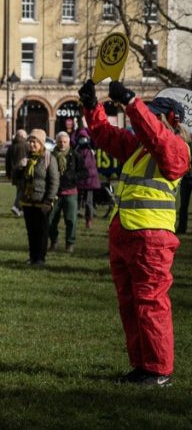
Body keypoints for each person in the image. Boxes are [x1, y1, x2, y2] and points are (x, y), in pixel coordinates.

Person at [79, 79, 189, 387]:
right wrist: (92, 107)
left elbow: (157, 136)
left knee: (150, 303)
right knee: (131, 305)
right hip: (128, 233)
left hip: (151, 238)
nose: (143, 120)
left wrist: (131, 103)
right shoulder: (139, 147)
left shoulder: (178, 148)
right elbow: (104, 135)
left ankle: (158, 370)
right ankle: (143, 366)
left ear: (170, 120)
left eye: (153, 115)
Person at [14, 128, 58, 266]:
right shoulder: (26, 158)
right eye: (30, 141)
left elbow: (54, 181)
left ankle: (40, 258)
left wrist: (48, 200)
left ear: (41, 143)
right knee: (31, 231)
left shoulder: (48, 158)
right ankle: (32, 256)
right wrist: (19, 167)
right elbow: (16, 180)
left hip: (42, 201)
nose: (31, 144)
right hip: (27, 200)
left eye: (35, 142)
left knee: (42, 231)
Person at [49, 131, 80, 253]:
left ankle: (70, 244)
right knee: (51, 220)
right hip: (54, 193)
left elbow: (84, 172)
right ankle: (54, 242)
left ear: (68, 142)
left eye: (65, 142)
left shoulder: (75, 155)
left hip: (70, 193)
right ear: (56, 142)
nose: (62, 144)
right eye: (60, 142)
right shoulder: (51, 156)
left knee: (71, 220)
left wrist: (72, 177)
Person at [74, 128, 101, 229]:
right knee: (76, 201)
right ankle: (74, 218)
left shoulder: (92, 148)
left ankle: (89, 220)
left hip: (90, 180)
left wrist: (87, 128)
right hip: (80, 179)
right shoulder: (76, 149)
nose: (83, 139)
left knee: (89, 202)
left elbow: (94, 138)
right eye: (81, 138)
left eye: (84, 137)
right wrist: (76, 130)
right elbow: (72, 140)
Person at [6, 129, 29, 216]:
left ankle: (20, 209)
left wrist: (8, 173)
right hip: (23, 171)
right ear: (23, 136)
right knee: (22, 190)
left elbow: (7, 161)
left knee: (19, 189)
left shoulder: (11, 146)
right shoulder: (26, 146)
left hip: (14, 172)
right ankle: (16, 206)